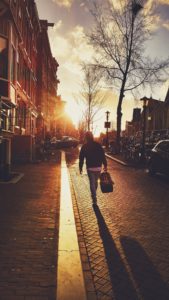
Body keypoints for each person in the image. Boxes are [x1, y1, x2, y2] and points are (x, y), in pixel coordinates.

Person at [79, 131, 107, 206]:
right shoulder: (98, 145)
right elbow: (102, 155)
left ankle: (94, 197)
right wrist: (105, 164)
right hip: (98, 167)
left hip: (90, 167)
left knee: (92, 182)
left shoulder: (84, 146)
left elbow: (81, 158)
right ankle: (94, 194)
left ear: (86, 137)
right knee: (95, 183)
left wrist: (80, 167)